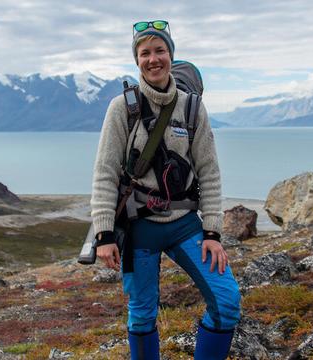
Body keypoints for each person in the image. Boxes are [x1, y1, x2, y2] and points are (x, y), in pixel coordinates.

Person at [90, 20, 240, 360]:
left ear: (171, 55)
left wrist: (213, 232)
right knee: (142, 314)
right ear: (137, 60)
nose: (153, 59)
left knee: (227, 302)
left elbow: (210, 174)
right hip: (138, 228)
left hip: (185, 224)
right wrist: (104, 235)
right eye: (145, 53)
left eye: (160, 50)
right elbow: (104, 173)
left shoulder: (192, 108)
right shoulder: (122, 108)